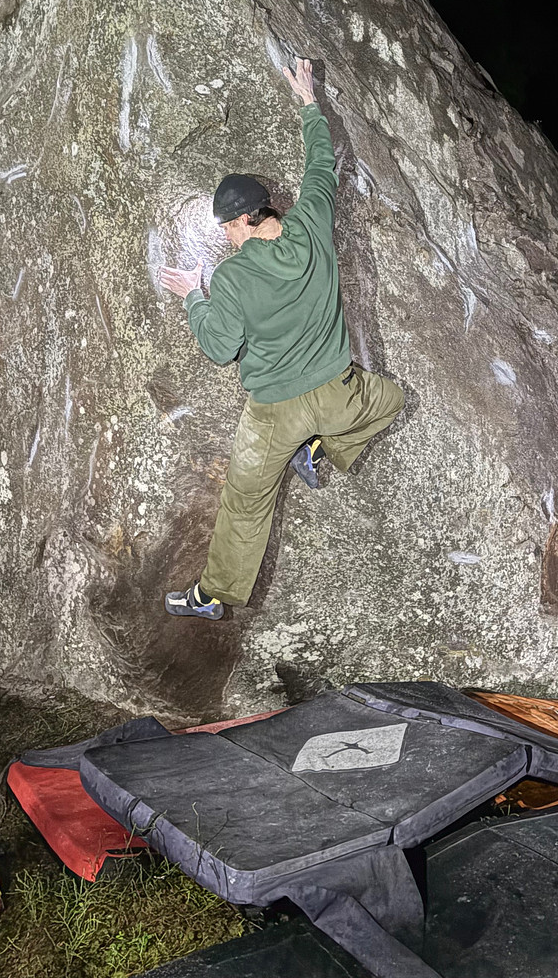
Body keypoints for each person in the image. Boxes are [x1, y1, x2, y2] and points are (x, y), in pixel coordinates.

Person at [159, 56, 405, 619]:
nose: (225, 237)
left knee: (245, 501)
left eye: (225, 228)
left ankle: (211, 597)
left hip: (273, 414)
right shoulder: (313, 223)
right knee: (390, 400)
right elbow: (320, 167)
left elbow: (220, 347)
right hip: (339, 393)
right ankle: (321, 449)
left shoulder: (232, 277)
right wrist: (309, 103)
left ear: (241, 221)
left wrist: (193, 296)